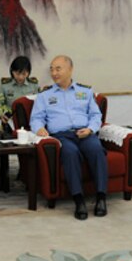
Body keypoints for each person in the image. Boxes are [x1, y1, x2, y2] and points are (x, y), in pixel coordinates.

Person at [29, 55, 108, 220]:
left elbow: (95, 115)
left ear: (70, 69)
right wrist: (40, 128)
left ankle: (101, 197)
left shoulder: (85, 92)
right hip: (62, 136)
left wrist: (91, 129)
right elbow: (36, 118)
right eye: (52, 69)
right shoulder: (44, 96)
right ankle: (79, 200)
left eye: (58, 68)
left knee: (96, 149)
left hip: (84, 133)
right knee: (70, 153)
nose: (54, 72)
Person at [0, 56, 39, 133]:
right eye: (17, 73)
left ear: (29, 72)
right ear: (12, 71)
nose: (20, 77)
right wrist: (1, 115)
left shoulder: (34, 86)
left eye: (24, 73)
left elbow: (40, 105)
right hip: (10, 123)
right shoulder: (5, 85)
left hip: (30, 124)